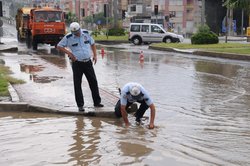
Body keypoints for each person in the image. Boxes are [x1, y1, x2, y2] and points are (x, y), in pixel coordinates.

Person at [57, 22, 104, 112]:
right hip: (77, 63)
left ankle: (97, 102)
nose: (77, 34)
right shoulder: (68, 37)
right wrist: (70, 53)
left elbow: (92, 44)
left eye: (78, 32)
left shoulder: (86, 33)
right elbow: (59, 46)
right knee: (77, 84)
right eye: (75, 33)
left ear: (80, 29)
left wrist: (95, 55)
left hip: (87, 62)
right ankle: (80, 105)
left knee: (93, 82)